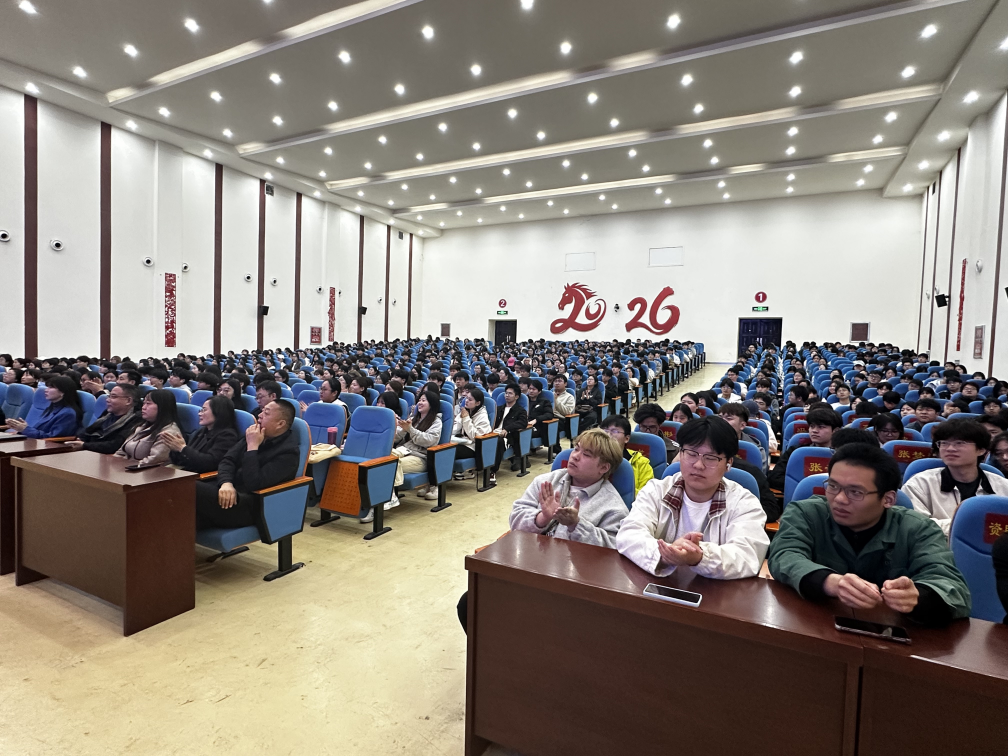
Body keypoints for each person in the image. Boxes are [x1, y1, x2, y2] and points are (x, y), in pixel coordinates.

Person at [768, 443, 971, 626]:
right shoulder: (807, 513)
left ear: (888, 499)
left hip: (893, 633)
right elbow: (785, 555)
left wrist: (918, 597)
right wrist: (831, 582)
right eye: (833, 486)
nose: (839, 499)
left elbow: (953, 588)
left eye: (855, 492)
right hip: (816, 624)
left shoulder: (918, 528)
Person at [616, 416, 769, 579]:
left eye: (710, 458)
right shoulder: (656, 490)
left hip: (717, 590)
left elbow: (747, 555)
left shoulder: (745, 503)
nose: (698, 465)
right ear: (680, 454)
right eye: (691, 454)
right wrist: (666, 554)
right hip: (660, 585)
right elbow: (629, 534)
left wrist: (700, 556)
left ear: (728, 463)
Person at [508, 428, 628, 548]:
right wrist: (542, 518)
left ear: (603, 468)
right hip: (531, 554)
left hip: (572, 559)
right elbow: (515, 520)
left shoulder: (614, 507)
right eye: (576, 449)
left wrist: (576, 525)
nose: (575, 456)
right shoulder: (545, 482)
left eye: (586, 454)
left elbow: (613, 548)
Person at [195, 400, 300, 531]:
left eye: (266, 413)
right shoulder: (256, 433)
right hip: (226, 493)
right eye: (262, 411)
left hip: (250, 506)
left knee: (187, 487)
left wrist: (252, 447)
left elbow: (253, 483)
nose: (259, 415)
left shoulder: (288, 453)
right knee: (183, 516)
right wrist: (226, 483)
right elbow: (227, 460)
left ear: (280, 424)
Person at [903, 418, 1008, 538]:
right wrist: (977, 526)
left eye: (959, 443)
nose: (950, 449)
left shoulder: (1003, 486)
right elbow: (917, 526)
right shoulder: (920, 484)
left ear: (981, 450)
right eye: (944, 443)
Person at [386, 389, 443, 512]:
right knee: (381, 459)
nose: (420, 403)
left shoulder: (436, 422)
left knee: (390, 465)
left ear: (432, 404)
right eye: (419, 400)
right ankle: (391, 496)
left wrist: (410, 429)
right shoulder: (414, 418)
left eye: (424, 400)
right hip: (403, 450)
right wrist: (402, 429)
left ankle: (388, 497)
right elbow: (396, 438)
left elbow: (429, 441)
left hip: (420, 457)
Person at [162, 395, 240, 473]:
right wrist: (175, 449)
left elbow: (210, 463)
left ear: (218, 412)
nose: (199, 414)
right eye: (201, 410)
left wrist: (182, 448)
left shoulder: (228, 436)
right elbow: (185, 458)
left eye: (204, 410)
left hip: (202, 477)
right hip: (188, 471)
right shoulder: (203, 431)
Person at [768, 406, 841, 490]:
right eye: (812, 426)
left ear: (835, 430)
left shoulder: (843, 455)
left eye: (821, 427)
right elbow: (775, 478)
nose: (814, 430)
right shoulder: (796, 451)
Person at [68, 383, 143, 453]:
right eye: (109, 396)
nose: (107, 400)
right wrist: (81, 439)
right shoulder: (108, 413)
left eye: (113, 397)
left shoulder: (136, 419)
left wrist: (85, 445)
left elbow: (115, 445)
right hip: (90, 451)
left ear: (128, 401)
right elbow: (89, 430)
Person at [114, 389, 181, 467]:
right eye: (144, 403)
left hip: (147, 472)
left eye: (148, 403)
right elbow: (121, 451)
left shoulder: (169, 432)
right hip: (126, 468)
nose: (143, 407)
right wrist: (113, 462)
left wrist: (124, 466)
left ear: (162, 407)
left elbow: (153, 461)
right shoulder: (141, 425)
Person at [4, 375, 83, 439]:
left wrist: (25, 429)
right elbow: (39, 430)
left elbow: (53, 438)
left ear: (63, 392)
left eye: (51, 387)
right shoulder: (52, 408)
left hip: (49, 448)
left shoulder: (68, 413)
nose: (46, 390)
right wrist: (22, 428)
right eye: (47, 387)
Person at [600, 414, 653, 496]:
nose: (608, 435)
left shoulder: (641, 463)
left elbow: (647, 495)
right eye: (605, 431)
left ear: (626, 438)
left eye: (615, 431)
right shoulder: (591, 459)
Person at [491, 383, 529, 482]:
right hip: (493, 433)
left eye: (510, 393)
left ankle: (492, 471)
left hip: (507, 437)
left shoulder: (520, 411)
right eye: (506, 393)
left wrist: (507, 429)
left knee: (499, 441)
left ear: (516, 396)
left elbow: (523, 423)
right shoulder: (498, 409)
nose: (507, 395)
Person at [451, 385, 492, 476]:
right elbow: (454, 429)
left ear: (477, 403)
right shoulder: (465, 410)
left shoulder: (482, 416)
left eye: (470, 400)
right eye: (466, 398)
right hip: (461, 441)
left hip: (473, 447)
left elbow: (476, 437)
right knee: (443, 447)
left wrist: (466, 419)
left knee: (447, 451)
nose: (466, 401)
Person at [717, 403, 768, 473]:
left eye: (728, 418)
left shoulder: (755, 451)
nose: (721, 421)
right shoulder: (708, 442)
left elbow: (758, 478)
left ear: (742, 425)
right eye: (720, 417)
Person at [526, 378, 554, 452]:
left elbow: (549, 414)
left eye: (534, 389)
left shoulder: (544, 401)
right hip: (524, 423)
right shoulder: (525, 400)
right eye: (530, 389)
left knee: (522, 433)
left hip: (537, 426)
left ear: (539, 391)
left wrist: (536, 420)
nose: (531, 391)